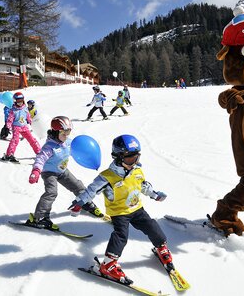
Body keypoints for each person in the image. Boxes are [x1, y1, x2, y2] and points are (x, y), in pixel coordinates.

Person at [68, 135, 172, 283]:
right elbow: (91, 190)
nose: (134, 162)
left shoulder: (137, 170)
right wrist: (79, 203)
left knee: (152, 226)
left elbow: (143, 186)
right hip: (119, 213)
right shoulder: (107, 177)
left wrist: (154, 195)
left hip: (137, 209)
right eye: (130, 159)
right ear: (118, 157)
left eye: (136, 157)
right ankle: (108, 264)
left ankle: (161, 247)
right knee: (121, 236)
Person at [27, 116, 104, 228]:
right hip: (49, 173)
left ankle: (85, 202)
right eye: (64, 133)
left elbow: (79, 149)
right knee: (51, 192)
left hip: (62, 171)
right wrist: (36, 170)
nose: (66, 136)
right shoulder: (49, 147)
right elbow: (40, 158)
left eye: (68, 133)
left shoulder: (68, 142)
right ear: (55, 132)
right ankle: (40, 217)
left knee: (78, 186)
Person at [2, 92, 41, 162]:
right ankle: (9, 154)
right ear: (15, 101)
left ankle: (39, 152)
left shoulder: (25, 108)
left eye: (21, 101)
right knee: (15, 140)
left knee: (32, 139)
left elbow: (28, 117)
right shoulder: (13, 110)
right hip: (16, 127)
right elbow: (10, 119)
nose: (20, 103)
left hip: (24, 127)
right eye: (18, 101)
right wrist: (7, 127)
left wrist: (33, 123)